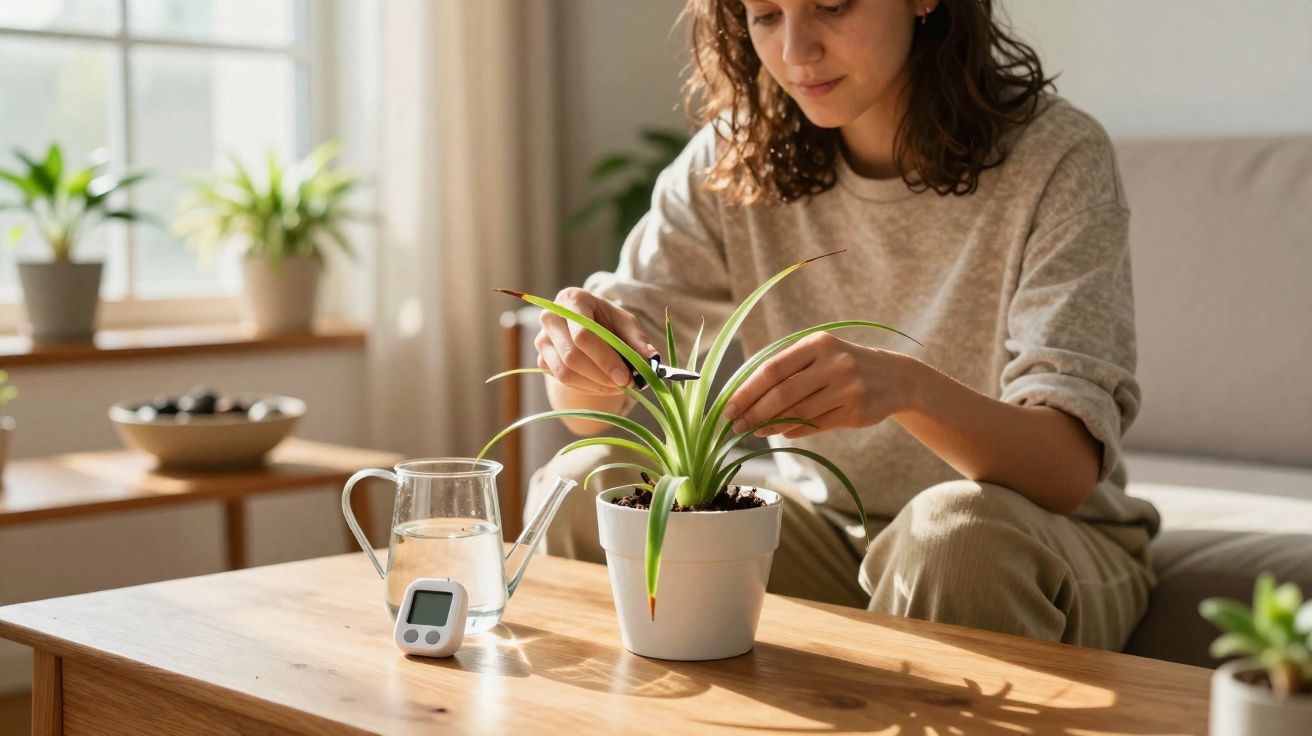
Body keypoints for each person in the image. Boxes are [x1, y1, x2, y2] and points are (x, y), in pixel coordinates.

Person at [525, 0, 1159, 650]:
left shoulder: (1057, 159)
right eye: (766, 14)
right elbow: (588, 414)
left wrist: (904, 389)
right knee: (581, 482)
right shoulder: (737, 154)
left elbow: (1066, 468)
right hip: (826, 529)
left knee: (952, 536)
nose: (796, 51)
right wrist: (583, 357)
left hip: (1033, 536)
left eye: (831, 5)